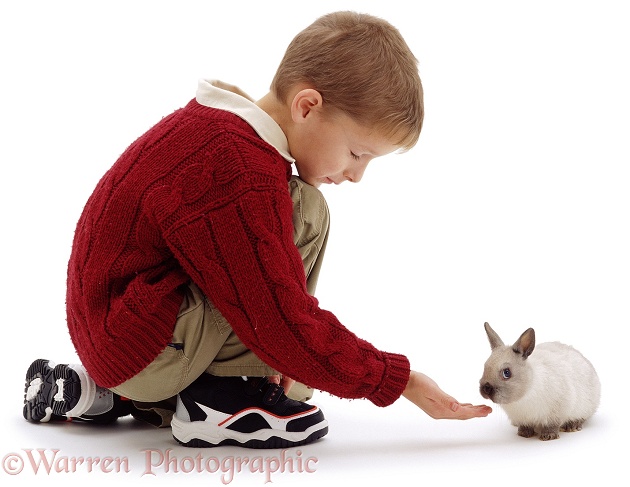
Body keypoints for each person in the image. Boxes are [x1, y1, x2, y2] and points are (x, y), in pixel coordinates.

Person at [23, 11, 491, 449]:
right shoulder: (240, 172)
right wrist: (397, 379)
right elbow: (280, 317)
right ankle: (224, 396)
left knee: (299, 365)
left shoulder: (216, 126)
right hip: (145, 346)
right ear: (307, 106)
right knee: (307, 215)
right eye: (356, 153)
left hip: (119, 337)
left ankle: (108, 393)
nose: (356, 175)